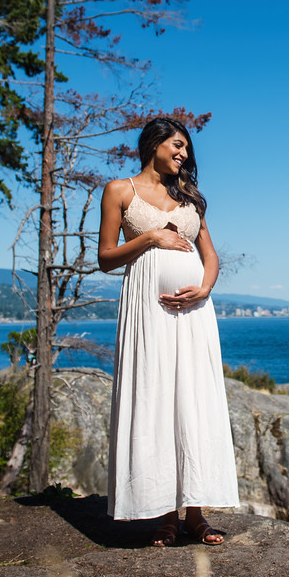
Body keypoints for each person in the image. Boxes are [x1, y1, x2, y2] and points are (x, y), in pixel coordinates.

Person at [97, 117, 239, 546]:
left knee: (194, 399)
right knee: (155, 397)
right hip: (148, 312)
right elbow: (105, 257)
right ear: (154, 143)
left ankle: (195, 514)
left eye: (186, 149)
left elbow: (210, 256)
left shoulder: (191, 198)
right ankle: (163, 515)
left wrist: (205, 288)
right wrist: (152, 237)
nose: (183, 154)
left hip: (195, 313)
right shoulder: (120, 190)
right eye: (177, 145)